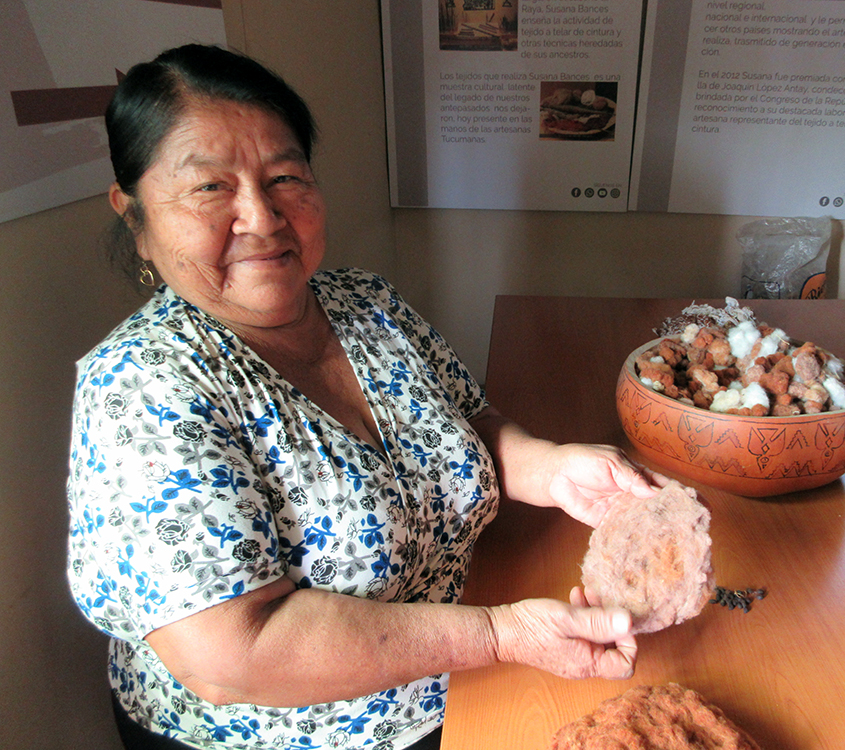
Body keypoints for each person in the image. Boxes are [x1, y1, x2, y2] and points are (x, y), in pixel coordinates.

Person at [67, 44, 664, 750]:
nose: (261, 216)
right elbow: (235, 656)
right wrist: (502, 633)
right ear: (134, 215)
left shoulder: (363, 302)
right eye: (209, 188)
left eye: (284, 176)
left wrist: (555, 467)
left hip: (461, 680)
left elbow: (466, 425)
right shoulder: (142, 388)